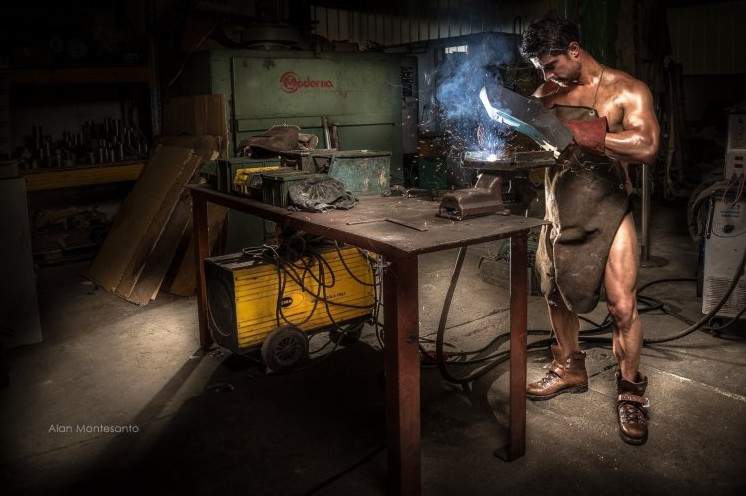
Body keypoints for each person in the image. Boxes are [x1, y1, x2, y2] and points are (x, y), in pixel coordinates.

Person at [519, 14, 660, 445]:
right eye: (540, 68)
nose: (546, 76)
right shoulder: (545, 93)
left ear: (574, 50)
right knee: (554, 293)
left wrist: (588, 134)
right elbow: (530, 139)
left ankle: (631, 391)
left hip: (607, 207)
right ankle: (570, 367)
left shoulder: (627, 90)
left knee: (622, 306)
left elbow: (647, 146)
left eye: (551, 65)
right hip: (559, 206)